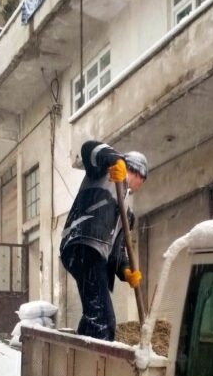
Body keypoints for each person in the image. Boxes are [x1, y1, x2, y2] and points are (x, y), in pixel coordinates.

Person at [60, 141, 148, 340]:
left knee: (95, 312)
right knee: (104, 320)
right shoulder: (104, 172)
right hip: (82, 244)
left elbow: (118, 250)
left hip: (95, 255)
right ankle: (93, 360)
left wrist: (126, 271)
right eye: (143, 179)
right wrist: (116, 160)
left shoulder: (127, 213)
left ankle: (80, 349)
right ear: (139, 173)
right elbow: (88, 148)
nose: (141, 185)